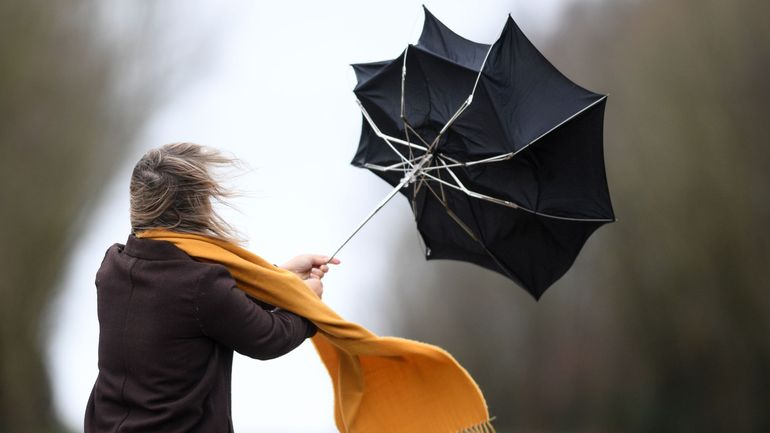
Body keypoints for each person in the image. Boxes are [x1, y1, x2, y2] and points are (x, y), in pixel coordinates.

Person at [84, 142, 338, 433]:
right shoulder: (200, 284)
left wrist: (282, 278)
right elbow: (268, 336)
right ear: (198, 207)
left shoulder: (112, 265)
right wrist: (308, 305)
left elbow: (214, 309)